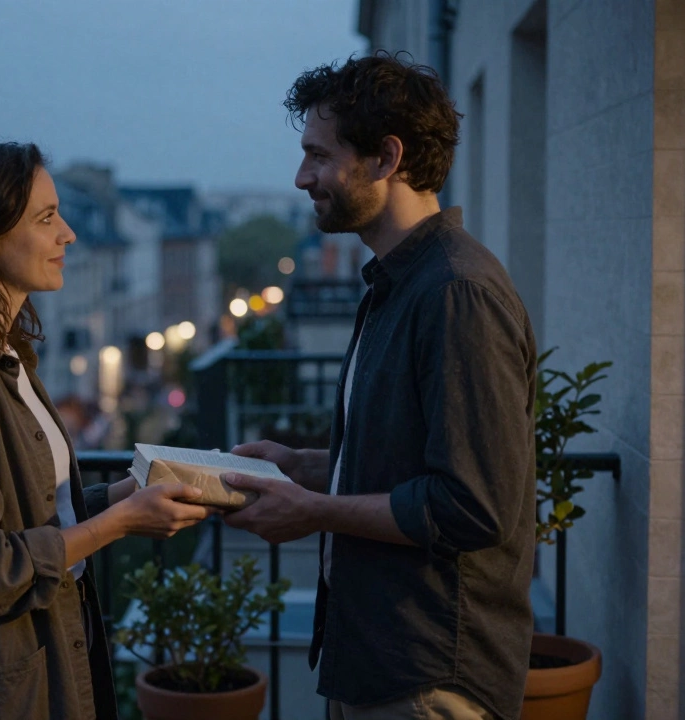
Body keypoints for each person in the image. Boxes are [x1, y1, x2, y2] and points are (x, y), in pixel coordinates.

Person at [222, 53, 537, 720]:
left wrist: (313, 510)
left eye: (319, 155)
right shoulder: (399, 282)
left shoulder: (456, 292)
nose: (302, 177)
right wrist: (302, 468)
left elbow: (470, 506)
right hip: (382, 664)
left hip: (426, 679)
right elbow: (408, 458)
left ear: (386, 158)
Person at [0, 139, 213, 720]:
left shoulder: (3, 355)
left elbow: (28, 515)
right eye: (46, 218)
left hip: (42, 665)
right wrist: (118, 524)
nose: (69, 235)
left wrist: (120, 497)